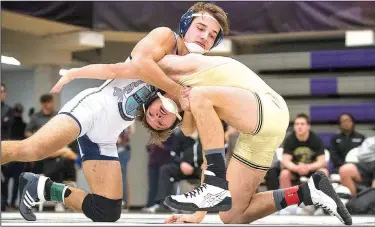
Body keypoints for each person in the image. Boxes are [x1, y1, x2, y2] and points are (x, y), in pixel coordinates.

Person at [52, 53, 352, 225]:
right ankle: (309, 191)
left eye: (157, 111)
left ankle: (214, 186)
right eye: (162, 119)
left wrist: (78, 71)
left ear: (154, 95)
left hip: (268, 107)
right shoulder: (195, 109)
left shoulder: (175, 73)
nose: (159, 115)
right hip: (256, 131)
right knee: (232, 214)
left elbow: (125, 66)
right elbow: (214, 148)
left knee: (197, 95)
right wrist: (197, 216)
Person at [1, 2, 229, 222]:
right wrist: (179, 92)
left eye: (211, 36)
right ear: (186, 24)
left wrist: (189, 105)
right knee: (32, 149)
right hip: (93, 109)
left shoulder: (193, 71)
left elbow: (189, 129)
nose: (204, 37)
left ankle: (42, 187)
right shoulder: (165, 37)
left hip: (108, 134)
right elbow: (140, 65)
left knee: (107, 210)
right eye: (201, 28)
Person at [280, 113, 329, 189]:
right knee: (284, 174)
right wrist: (297, 168)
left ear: (308, 126)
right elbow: (285, 161)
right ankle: (286, 199)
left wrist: (308, 167)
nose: (299, 126)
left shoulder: (316, 139)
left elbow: (322, 161)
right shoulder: (289, 139)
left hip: (312, 169)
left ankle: (320, 199)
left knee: (323, 172)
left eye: (302, 124)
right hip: (295, 169)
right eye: (297, 124)